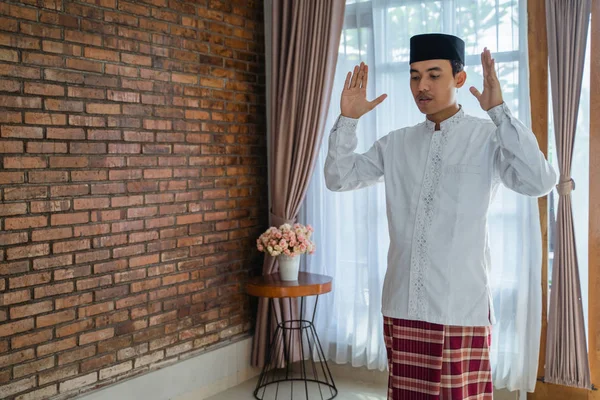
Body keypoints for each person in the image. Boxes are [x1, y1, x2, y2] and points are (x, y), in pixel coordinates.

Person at [324, 33, 557, 399]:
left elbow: (540, 181)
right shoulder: (396, 143)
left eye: (434, 74)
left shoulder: (488, 139)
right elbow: (338, 178)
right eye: (415, 76)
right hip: (403, 305)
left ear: (460, 79)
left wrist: (499, 113)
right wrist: (347, 121)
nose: (422, 85)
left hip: (459, 306)